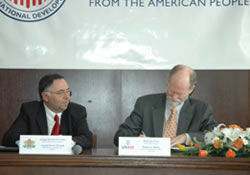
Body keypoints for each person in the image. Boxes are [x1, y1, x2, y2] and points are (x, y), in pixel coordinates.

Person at [114, 64, 217, 147]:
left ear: (191, 90)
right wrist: (137, 142)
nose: (174, 97)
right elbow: (119, 137)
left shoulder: (202, 110)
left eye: (180, 94)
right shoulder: (145, 104)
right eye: (171, 91)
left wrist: (186, 137)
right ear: (168, 83)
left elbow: (216, 136)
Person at [2, 74, 93, 150]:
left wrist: (65, 142)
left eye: (68, 92)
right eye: (60, 93)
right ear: (45, 96)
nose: (67, 97)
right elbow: (9, 138)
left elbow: (87, 138)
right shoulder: (30, 111)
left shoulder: (77, 111)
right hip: (35, 164)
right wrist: (36, 143)